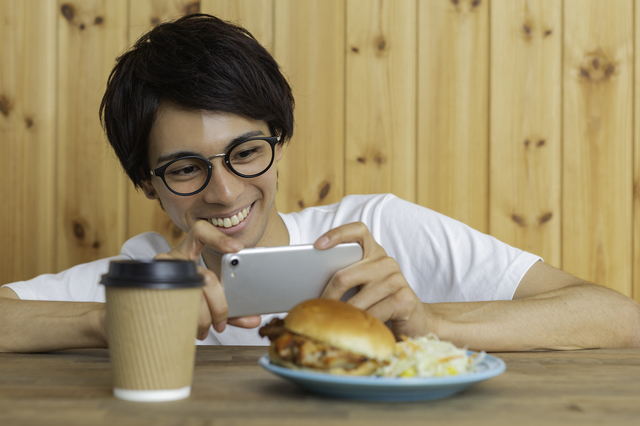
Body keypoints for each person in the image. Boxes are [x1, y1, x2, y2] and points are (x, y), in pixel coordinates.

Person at [1, 14, 639, 353]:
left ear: (278, 143)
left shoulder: (379, 234)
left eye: (245, 152)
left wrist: (428, 321)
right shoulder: (140, 276)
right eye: (187, 167)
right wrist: (117, 321)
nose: (223, 192)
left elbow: (621, 320)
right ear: (148, 182)